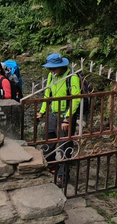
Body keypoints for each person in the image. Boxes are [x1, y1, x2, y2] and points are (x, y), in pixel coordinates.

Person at [36, 53, 81, 187]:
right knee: (48, 141)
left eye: (54, 68)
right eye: (50, 68)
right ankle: (51, 166)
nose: (52, 71)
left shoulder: (71, 78)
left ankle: (63, 175)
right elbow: (47, 94)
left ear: (61, 66)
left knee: (64, 146)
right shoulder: (52, 76)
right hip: (53, 114)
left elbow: (76, 98)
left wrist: (67, 118)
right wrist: (42, 111)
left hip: (65, 115)